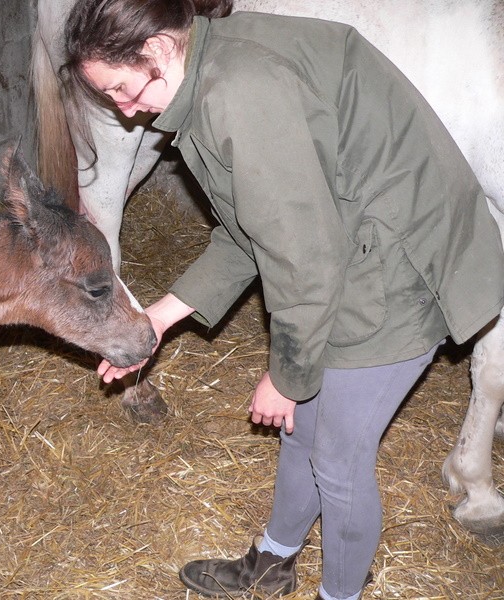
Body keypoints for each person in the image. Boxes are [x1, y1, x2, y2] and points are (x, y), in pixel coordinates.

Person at [60, 1, 504, 599]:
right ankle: (274, 560)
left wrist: (289, 377)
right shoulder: (211, 68)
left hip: (403, 263)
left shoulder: (240, 94)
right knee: (303, 432)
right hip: (350, 236)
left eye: (121, 87)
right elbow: (255, 230)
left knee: (340, 463)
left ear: (161, 48)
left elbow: (303, 255)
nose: (123, 108)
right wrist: (159, 318)